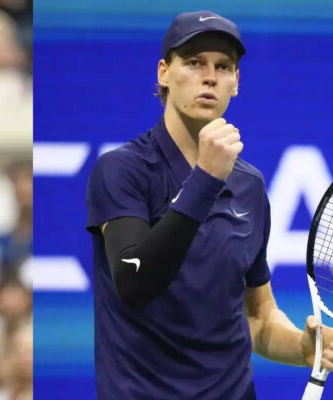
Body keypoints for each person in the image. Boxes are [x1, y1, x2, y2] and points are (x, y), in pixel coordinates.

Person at [85, 10, 333, 400]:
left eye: (224, 67)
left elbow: (258, 317)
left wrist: (302, 347)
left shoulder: (249, 185)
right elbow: (133, 283)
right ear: (164, 73)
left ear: (236, 83)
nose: (210, 77)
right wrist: (205, 178)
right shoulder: (121, 170)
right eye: (194, 62)